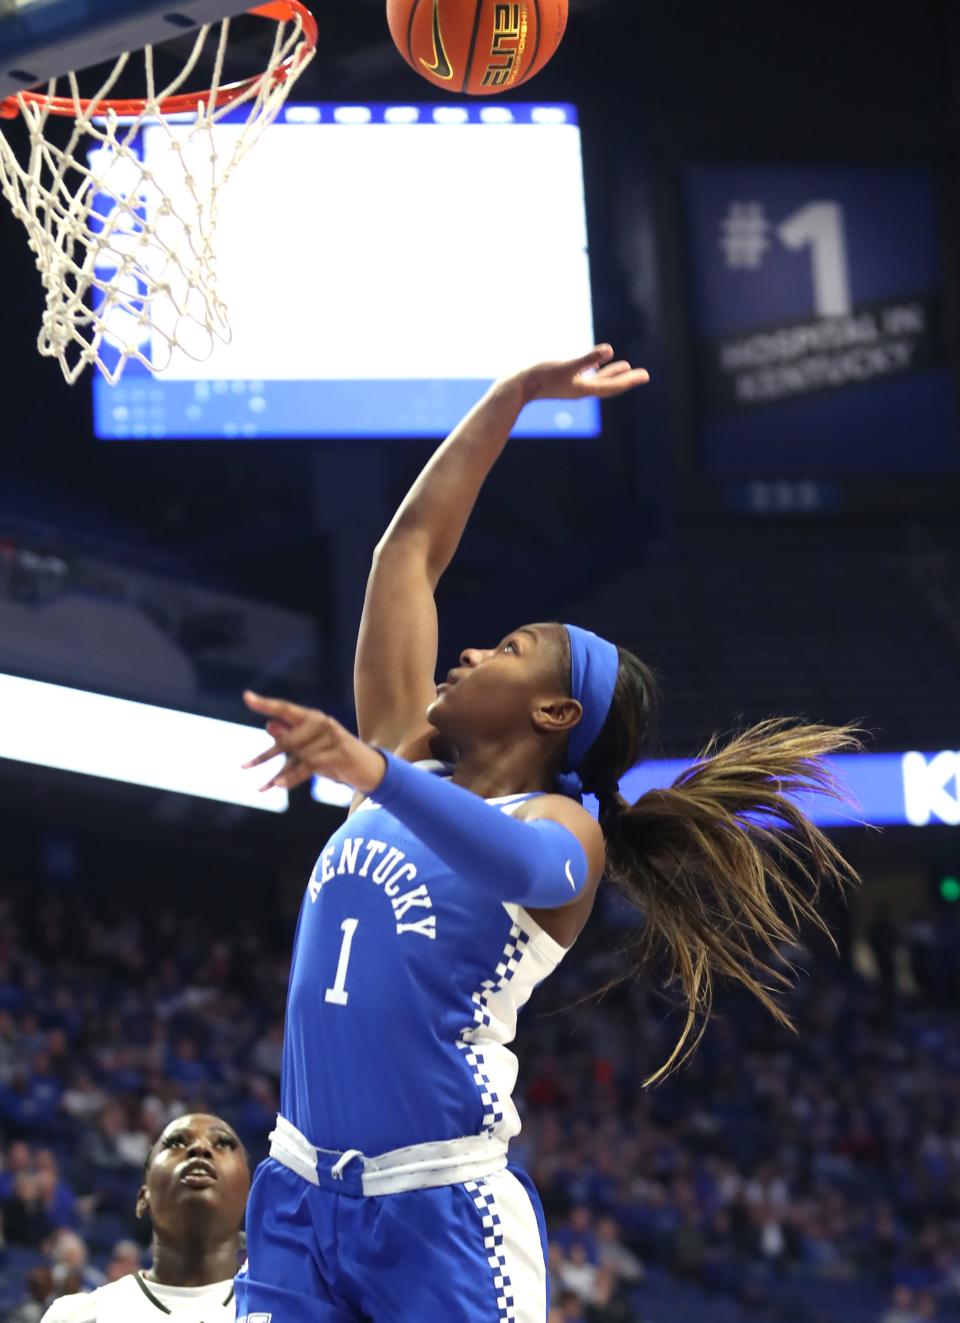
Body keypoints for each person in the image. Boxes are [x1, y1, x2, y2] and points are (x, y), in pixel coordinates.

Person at [237, 345, 858, 1322]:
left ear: (557, 715)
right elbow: (406, 554)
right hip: (295, 1194)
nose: (475, 647)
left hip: (439, 1217)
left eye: (511, 649)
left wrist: (374, 770)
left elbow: (514, 862)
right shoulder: (407, 758)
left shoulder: (564, 829)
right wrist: (514, 396)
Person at [40, 1113, 249, 1323]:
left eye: (222, 1143)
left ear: (250, 1197)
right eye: (176, 1143)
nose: (200, 1149)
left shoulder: (279, 1306)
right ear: (143, 1197)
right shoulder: (78, 1316)